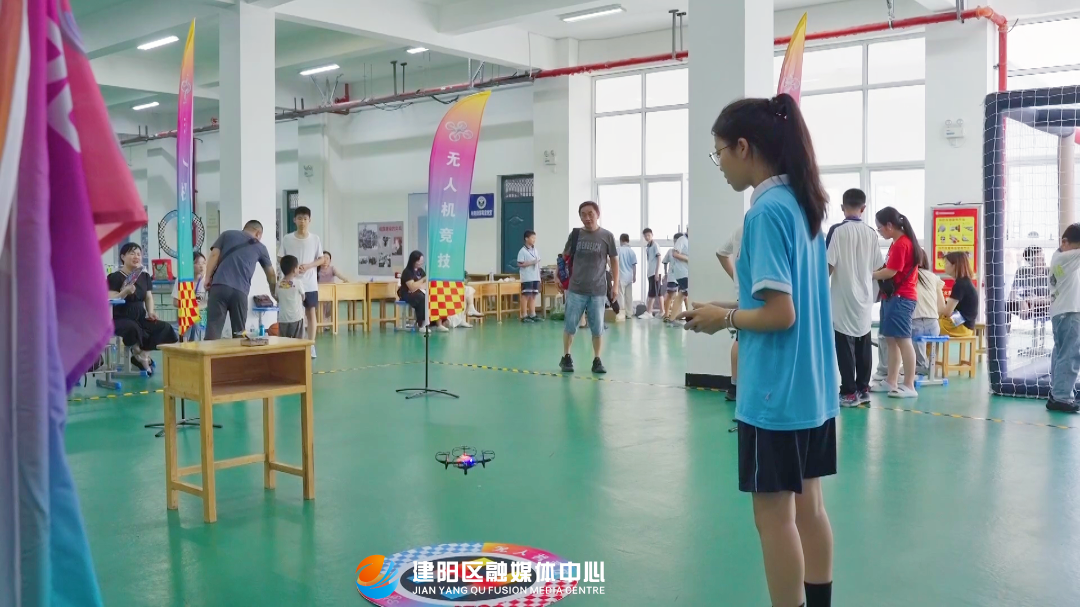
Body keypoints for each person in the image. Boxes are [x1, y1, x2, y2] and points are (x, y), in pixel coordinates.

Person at [681, 94, 836, 607]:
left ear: (743, 147)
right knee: (811, 508)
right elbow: (784, 300)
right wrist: (721, 307)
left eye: (720, 153)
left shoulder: (765, 212)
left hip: (775, 393)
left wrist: (724, 320)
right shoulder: (802, 203)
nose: (721, 164)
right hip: (813, 388)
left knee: (774, 519)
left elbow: (780, 314)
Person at [825, 189, 884, 407]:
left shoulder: (837, 231)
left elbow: (827, 265)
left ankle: (849, 392)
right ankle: (863, 389)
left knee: (844, 346)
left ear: (842, 207)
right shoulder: (871, 233)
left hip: (842, 298)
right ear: (863, 208)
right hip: (864, 297)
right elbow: (878, 266)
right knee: (864, 343)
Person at [559, 201, 618, 374]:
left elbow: (614, 261)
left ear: (597, 214)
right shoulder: (576, 235)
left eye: (590, 214)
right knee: (570, 325)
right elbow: (564, 256)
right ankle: (566, 356)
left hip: (598, 290)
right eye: (583, 214)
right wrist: (557, 275)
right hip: (576, 289)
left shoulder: (607, 236)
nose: (587, 218)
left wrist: (615, 285)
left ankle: (597, 359)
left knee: (597, 328)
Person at [872, 206, 922, 399]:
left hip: (901, 298)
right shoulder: (897, 243)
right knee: (891, 340)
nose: (879, 232)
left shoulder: (902, 244)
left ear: (889, 225)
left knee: (903, 340)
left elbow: (891, 272)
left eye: (880, 228)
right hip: (892, 297)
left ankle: (909, 384)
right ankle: (891, 380)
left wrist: (869, 274)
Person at [875, 249, 944, 383]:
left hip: (914, 323)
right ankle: (923, 366)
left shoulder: (905, 275)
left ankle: (888, 371)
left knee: (889, 337)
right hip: (934, 325)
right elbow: (941, 306)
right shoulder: (933, 277)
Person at [107, 243, 178, 373]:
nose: (136, 257)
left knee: (164, 327)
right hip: (120, 318)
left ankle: (143, 355)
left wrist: (151, 312)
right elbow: (111, 299)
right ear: (123, 257)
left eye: (139, 254)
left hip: (140, 316)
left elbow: (148, 297)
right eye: (132, 253)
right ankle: (137, 352)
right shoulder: (115, 277)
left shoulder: (144, 276)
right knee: (133, 328)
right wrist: (125, 292)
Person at [204, 219, 277, 340]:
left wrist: (207, 278)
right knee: (239, 333)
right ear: (258, 233)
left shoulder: (227, 234)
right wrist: (273, 293)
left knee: (213, 328)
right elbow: (271, 274)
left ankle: (209, 352)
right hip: (240, 291)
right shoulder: (261, 247)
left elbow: (214, 255)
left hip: (219, 286)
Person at [280, 206, 326, 357]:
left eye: (305, 219)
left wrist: (308, 266)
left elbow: (321, 259)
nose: (302, 222)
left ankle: (311, 345)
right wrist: (292, 269)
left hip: (310, 283)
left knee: (310, 313)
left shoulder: (315, 239)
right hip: (291, 284)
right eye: (299, 218)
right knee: (293, 314)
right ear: (294, 220)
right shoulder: (287, 238)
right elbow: (280, 257)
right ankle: (292, 345)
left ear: (310, 220)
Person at [1047, 223, 1080, 413]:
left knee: (1061, 353)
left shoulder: (1058, 257)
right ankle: (1062, 397)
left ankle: (1057, 393)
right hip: (1070, 313)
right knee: (1070, 354)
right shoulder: (1067, 257)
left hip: (1061, 312)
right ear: (1064, 242)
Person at [717, 225, 743, 402]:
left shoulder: (739, 230)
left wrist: (736, 277)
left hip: (743, 293)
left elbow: (720, 253)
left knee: (740, 338)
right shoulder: (762, 224)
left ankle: (734, 385)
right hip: (759, 293)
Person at [399, 251, 448, 332]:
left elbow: (426, 284)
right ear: (413, 261)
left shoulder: (420, 271)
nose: (421, 263)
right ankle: (422, 324)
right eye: (419, 261)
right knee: (422, 298)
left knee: (436, 296)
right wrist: (423, 280)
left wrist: (419, 285)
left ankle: (438, 323)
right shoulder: (407, 272)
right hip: (408, 294)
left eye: (422, 261)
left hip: (420, 291)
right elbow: (412, 287)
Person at [939, 252, 979, 338]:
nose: (944, 266)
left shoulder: (960, 284)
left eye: (946, 263)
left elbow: (947, 312)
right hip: (965, 326)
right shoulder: (965, 282)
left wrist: (938, 290)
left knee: (930, 326)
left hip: (961, 327)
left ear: (955, 265)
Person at [170, 251, 208, 342]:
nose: (201, 266)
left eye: (203, 263)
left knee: (196, 323)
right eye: (197, 263)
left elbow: (211, 302)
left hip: (203, 315)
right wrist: (190, 306)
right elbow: (175, 302)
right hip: (186, 314)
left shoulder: (207, 280)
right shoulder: (182, 280)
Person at [276, 255, 307, 338]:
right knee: (298, 342)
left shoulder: (278, 284)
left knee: (284, 342)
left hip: (283, 319)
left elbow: (277, 298)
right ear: (294, 269)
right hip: (296, 318)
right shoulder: (298, 283)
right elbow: (303, 297)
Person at [517, 230, 541, 322]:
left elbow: (538, 261)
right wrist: (531, 262)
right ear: (526, 239)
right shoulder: (522, 251)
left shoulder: (535, 250)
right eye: (532, 238)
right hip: (527, 277)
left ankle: (532, 314)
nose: (534, 240)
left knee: (533, 295)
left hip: (535, 276)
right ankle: (524, 315)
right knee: (526, 295)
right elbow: (519, 263)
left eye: (535, 238)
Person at [666, 231, 689, 324]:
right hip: (682, 272)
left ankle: (672, 319)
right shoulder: (682, 239)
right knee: (687, 294)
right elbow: (675, 254)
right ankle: (691, 317)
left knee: (682, 295)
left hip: (686, 272)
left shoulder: (689, 241)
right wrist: (688, 259)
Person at [616, 233, 637, 321]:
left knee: (620, 295)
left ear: (621, 240)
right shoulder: (632, 251)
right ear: (628, 240)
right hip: (629, 277)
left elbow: (615, 262)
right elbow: (634, 265)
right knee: (629, 296)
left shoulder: (619, 250)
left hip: (621, 276)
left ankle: (621, 313)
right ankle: (629, 313)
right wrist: (634, 276)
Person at [643, 228, 663, 318]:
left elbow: (659, 258)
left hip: (655, 272)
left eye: (649, 235)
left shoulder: (655, 245)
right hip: (651, 272)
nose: (647, 237)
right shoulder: (648, 247)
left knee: (652, 292)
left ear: (652, 235)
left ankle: (649, 312)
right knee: (659, 293)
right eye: (645, 236)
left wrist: (656, 272)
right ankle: (662, 311)